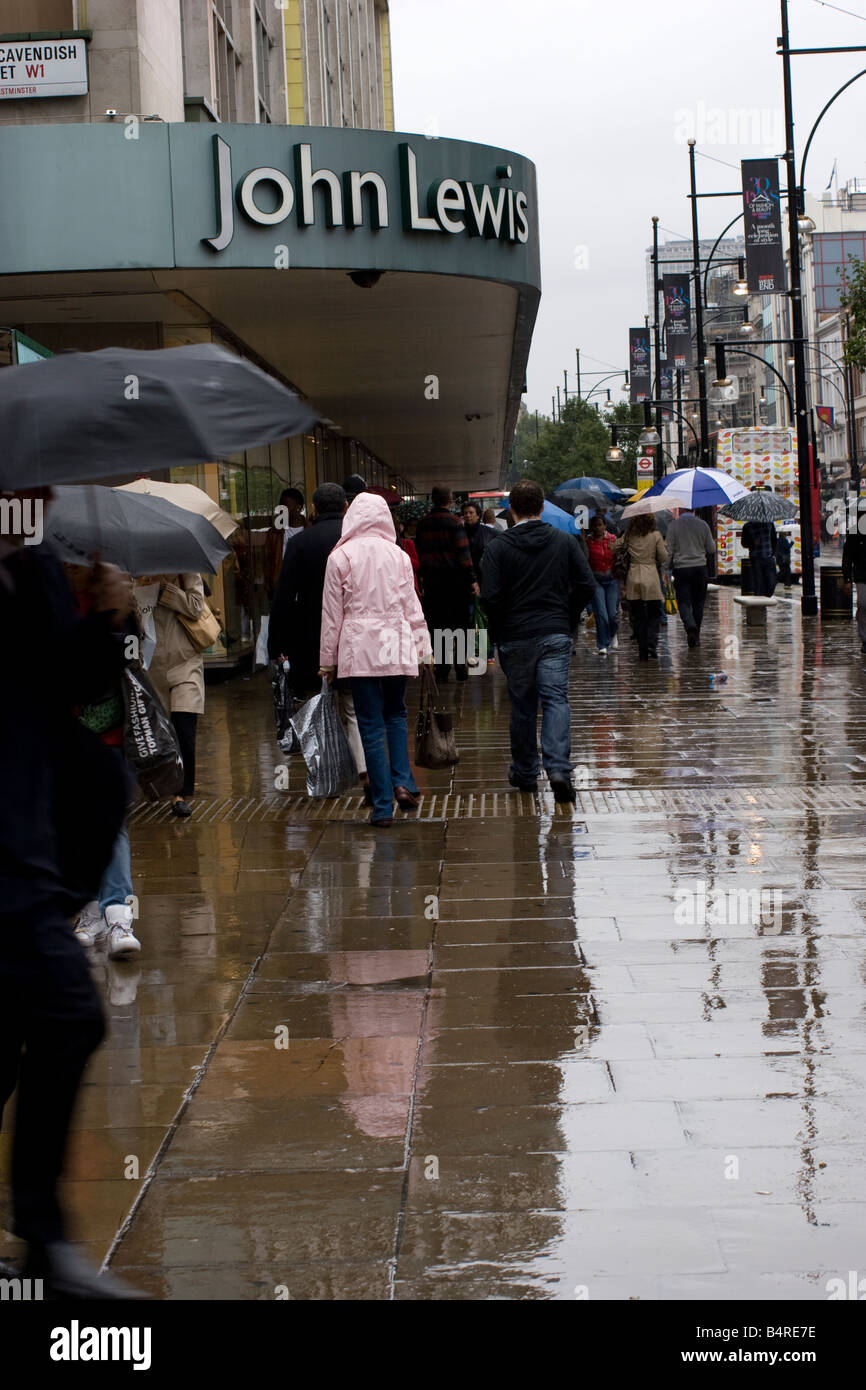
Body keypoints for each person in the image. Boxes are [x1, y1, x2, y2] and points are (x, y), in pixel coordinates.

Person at [0, 505, 144, 1298]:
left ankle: (42, 1244)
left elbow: (72, 686)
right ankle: (45, 1243)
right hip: (12, 863)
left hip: (30, 840)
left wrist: (107, 615)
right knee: (69, 1013)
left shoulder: (35, 573)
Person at [319, 492, 433, 827]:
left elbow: (331, 616)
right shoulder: (397, 555)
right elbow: (412, 606)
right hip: (394, 643)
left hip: (359, 648)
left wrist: (328, 661)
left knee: (369, 725)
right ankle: (402, 782)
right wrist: (423, 648)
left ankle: (382, 806)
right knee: (396, 715)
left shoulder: (340, 558)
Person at [481, 478, 596, 803]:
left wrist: (503, 624)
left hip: (515, 637)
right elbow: (586, 584)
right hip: (554, 633)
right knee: (556, 699)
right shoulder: (563, 541)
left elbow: (489, 597)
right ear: (542, 507)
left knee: (522, 706)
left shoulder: (497, 547)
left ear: (511, 510)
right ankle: (558, 767)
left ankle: (526, 771)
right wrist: (566, 614)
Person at [268, 483, 368, 796]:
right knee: (352, 707)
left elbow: (283, 596)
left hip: (309, 637)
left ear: (314, 508)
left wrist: (277, 645)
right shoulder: (360, 540)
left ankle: (326, 773)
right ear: (345, 506)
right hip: (354, 636)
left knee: (315, 704)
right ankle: (365, 772)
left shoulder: (300, 543)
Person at [63, 565, 142, 961]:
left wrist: (111, 614)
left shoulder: (113, 597)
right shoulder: (49, 595)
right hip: (62, 738)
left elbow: (127, 661)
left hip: (108, 735)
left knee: (110, 822)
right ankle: (93, 910)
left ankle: (117, 913)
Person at [145, 573, 206, 817]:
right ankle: (162, 786)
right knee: (162, 734)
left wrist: (166, 591)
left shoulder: (186, 566)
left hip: (185, 662)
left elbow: (196, 607)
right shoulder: (136, 571)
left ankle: (180, 794)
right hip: (152, 665)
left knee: (184, 731)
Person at [415, 485, 478, 682]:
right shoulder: (455, 522)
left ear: (433, 500)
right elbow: (464, 555)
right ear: (450, 500)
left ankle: (441, 669)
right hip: (456, 582)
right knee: (459, 624)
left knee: (439, 626)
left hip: (433, 583)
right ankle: (460, 667)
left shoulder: (423, 524)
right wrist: (472, 580)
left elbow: (420, 554)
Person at [615, 515, 668, 661]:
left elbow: (613, 547)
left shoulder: (629, 535)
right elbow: (664, 557)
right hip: (650, 577)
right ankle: (651, 641)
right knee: (654, 613)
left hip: (634, 577)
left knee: (638, 616)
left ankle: (642, 648)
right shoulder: (656, 535)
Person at [664, 506, 716, 648]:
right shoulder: (703, 524)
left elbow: (668, 550)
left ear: (681, 510)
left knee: (684, 602)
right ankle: (696, 636)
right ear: (695, 509)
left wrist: (664, 570)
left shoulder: (673, 526)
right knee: (699, 603)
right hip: (700, 568)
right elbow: (711, 549)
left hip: (681, 569)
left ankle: (689, 624)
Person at [584, 514, 620, 654]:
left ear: (604, 525)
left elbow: (619, 557)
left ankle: (613, 633)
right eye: (595, 525)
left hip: (612, 580)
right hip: (596, 580)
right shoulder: (588, 541)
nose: (598, 528)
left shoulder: (612, 539)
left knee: (612, 613)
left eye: (600, 524)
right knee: (601, 613)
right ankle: (602, 644)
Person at [264, 487, 306, 600]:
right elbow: (268, 561)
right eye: (280, 506)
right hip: (282, 591)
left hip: (305, 591)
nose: (282, 510)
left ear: (299, 507)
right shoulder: (274, 533)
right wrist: (268, 585)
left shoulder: (311, 530)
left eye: (286, 507)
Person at [842, 502, 866, 653]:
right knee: (863, 605)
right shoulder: (854, 533)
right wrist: (847, 579)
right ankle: (865, 639)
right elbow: (847, 557)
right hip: (862, 575)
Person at [741, 517, 778, 596]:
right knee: (758, 583)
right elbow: (743, 543)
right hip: (756, 558)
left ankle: (765, 597)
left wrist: (774, 553)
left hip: (768, 557)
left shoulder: (769, 523)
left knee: (772, 583)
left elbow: (774, 539)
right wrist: (752, 543)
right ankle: (760, 602)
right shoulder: (747, 526)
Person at [461, 501, 491, 574]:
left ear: (478, 515)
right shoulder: (459, 533)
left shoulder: (489, 532)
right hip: (464, 575)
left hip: (483, 575)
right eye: (465, 513)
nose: (468, 515)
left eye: (471, 513)